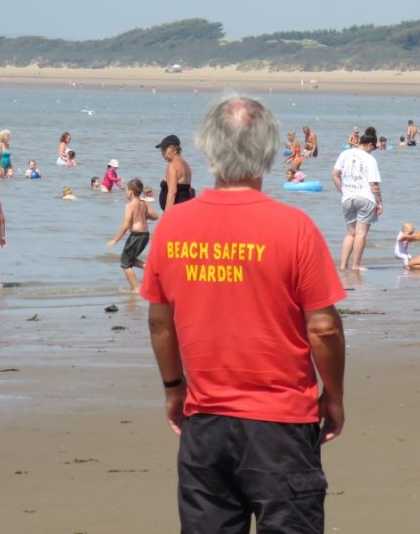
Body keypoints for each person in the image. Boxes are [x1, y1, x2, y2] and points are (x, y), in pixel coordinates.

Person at [141, 94, 346, 532]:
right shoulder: (295, 228)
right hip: (281, 426)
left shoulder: (172, 226)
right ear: (269, 151)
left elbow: (160, 323)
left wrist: (174, 388)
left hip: (206, 423)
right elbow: (324, 328)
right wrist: (334, 394)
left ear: (208, 149)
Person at [332, 128, 382, 271]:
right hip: (365, 197)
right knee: (361, 233)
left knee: (350, 233)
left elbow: (334, 174)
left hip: (348, 198)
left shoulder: (345, 153)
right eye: (373, 149)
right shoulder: (370, 159)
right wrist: (379, 202)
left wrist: (344, 191)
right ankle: (356, 265)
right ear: (371, 145)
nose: (373, 151)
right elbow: (374, 184)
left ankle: (342, 266)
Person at [107, 178, 159, 292]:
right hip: (145, 235)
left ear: (130, 192)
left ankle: (136, 289)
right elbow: (156, 216)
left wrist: (115, 240)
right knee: (130, 259)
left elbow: (125, 225)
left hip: (136, 235)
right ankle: (147, 267)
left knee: (125, 264)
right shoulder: (143, 203)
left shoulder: (129, 206)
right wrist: (144, 216)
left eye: (126, 190)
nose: (125, 192)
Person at [156, 134, 194, 211]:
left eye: (164, 150)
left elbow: (172, 192)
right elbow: (190, 190)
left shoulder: (172, 166)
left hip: (175, 211)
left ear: (174, 150)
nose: (163, 154)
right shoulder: (187, 165)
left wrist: (167, 215)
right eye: (162, 151)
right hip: (184, 209)